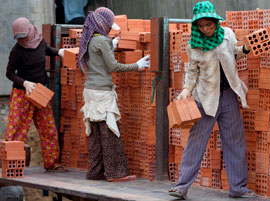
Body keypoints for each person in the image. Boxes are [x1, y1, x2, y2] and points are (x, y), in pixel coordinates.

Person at [168, 1, 256, 199]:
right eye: (201, 26)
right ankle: (181, 187)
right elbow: (192, 71)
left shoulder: (227, 34)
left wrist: (246, 49)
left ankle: (238, 188)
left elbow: (234, 53)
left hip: (228, 96)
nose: (206, 29)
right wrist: (186, 90)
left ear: (216, 22)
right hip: (205, 99)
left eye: (209, 25)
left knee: (235, 142)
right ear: (196, 26)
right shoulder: (194, 45)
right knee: (196, 142)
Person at [78, 7, 150, 182]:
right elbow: (113, 66)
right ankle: (116, 173)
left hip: (90, 92)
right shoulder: (102, 41)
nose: (110, 29)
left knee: (96, 136)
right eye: (109, 26)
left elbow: (98, 55)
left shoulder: (89, 39)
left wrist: (112, 44)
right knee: (110, 134)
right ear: (103, 24)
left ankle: (94, 172)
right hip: (102, 93)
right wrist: (137, 65)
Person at [5, 17, 65, 172]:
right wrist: (24, 83)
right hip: (21, 93)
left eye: (24, 36)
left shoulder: (39, 40)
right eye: (19, 37)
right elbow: (9, 73)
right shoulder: (16, 51)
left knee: (48, 129)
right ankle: (12, 166)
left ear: (30, 31)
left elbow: (47, 50)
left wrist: (59, 52)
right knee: (16, 130)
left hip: (39, 91)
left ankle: (52, 164)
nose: (22, 40)